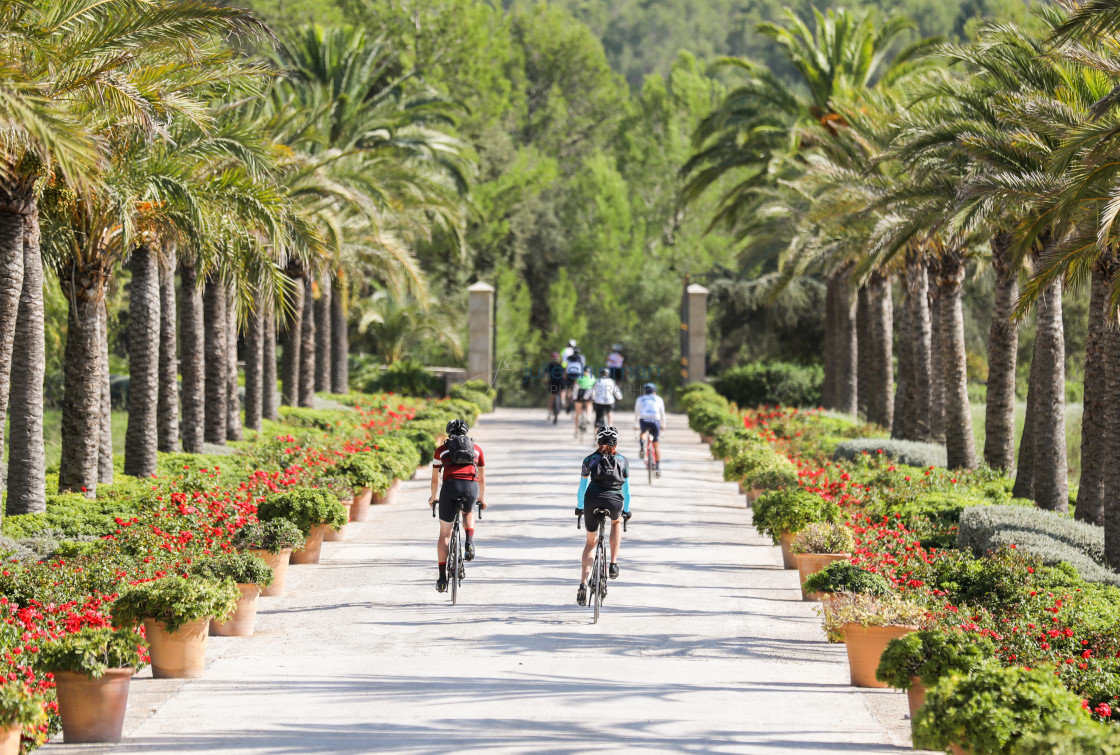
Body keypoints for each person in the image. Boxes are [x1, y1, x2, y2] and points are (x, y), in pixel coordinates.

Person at [575, 425, 631, 606]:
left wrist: (579, 507)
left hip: (592, 499)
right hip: (614, 501)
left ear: (598, 442)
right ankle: (613, 564)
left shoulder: (589, 459)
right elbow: (627, 491)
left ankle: (583, 584)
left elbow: (582, 488)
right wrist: (626, 511)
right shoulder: (623, 461)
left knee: (591, 542)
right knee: (616, 523)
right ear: (616, 443)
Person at [428, 419, 486, 592]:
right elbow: (481, 479)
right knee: (468, 513)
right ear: (467, 433)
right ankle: (469, 543)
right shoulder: (477, 450)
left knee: (444, 533)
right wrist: (481, 499)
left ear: (448, 434)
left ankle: (442, 578)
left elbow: (434, 479)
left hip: (449, 487)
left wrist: (433, 497)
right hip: (470, 486)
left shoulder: (441, 450)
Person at [634, 382, 667, 477]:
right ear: (655, 391)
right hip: (655, 420)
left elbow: (637, 412)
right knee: (656, 444)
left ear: (645, 391)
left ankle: (641, 446)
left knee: (643, 432)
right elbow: (662, 414)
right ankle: (657, 468)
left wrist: (635, 424)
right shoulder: (659, 399)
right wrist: (663, 425)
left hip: (643, 419)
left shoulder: (640, 399)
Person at [573, 366, 595, 436]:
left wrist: (573, 397)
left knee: (577, 413)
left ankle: (576, 430)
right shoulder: (593, 377)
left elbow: (575, 386)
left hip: (580, 392)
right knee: (589, 404)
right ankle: (588, 416)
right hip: (588, 392)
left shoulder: (579, 377)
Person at [563, 347, 585, 413]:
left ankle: (568, 406)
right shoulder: (582, 357)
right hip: (578, 373)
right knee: (577, 389)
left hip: (569, 373)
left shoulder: (568, 357)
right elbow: (583, 366)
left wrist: (565, 374)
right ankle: (575, 404)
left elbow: (566, 366)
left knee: (569, 390)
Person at [545, 352, 565, 423]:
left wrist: (545, 381)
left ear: (551, 358)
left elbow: (546, 376)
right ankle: (562, 400)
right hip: (560, 381)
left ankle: (549, 413)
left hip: (553, 382)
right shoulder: (561, 365)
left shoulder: (549, 365)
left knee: (551, 398)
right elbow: (564, 374)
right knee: (563, 390)